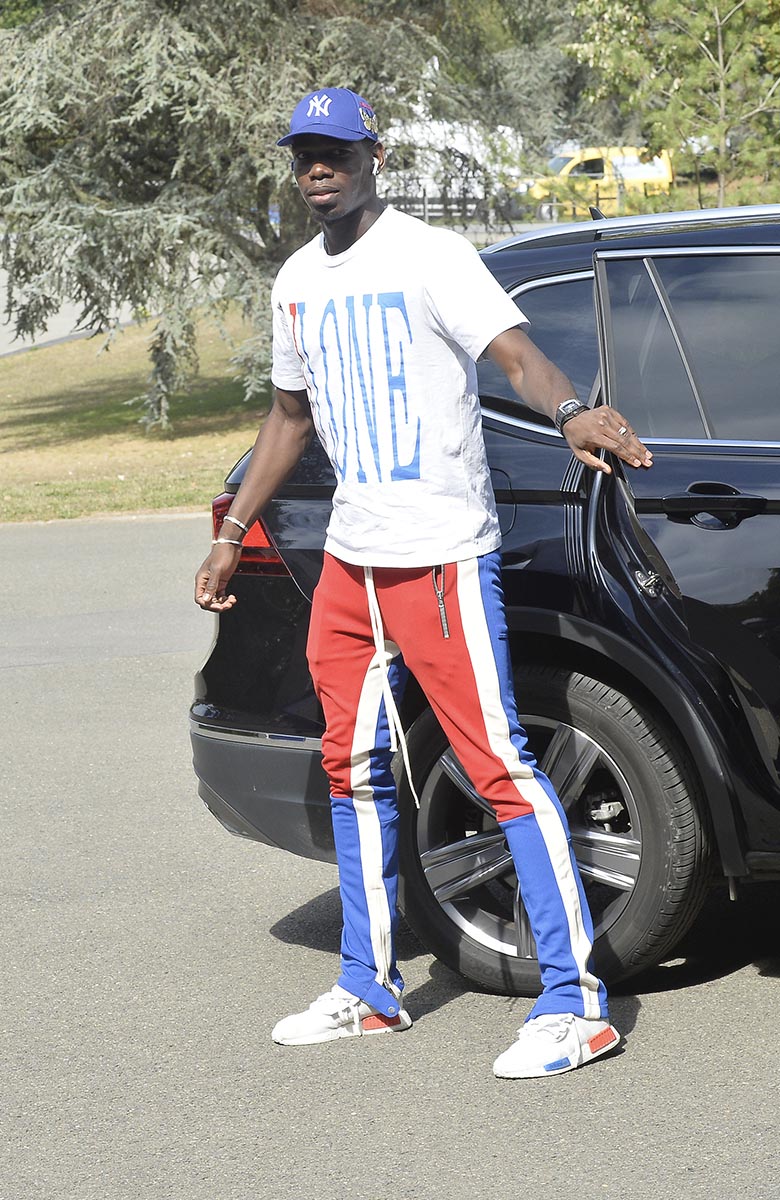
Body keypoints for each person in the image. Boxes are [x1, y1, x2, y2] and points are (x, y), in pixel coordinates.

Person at [194, 88, 653, 1079]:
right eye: (305, 153)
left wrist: (572, 408)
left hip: (439, 553)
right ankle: (369, 990)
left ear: (375, 156)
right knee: (350, 769)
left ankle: (578, 1007)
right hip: (353, 565)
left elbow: (515, 353)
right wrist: (233, 529)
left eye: (336, 151)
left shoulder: (434, 257)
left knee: (497, 763)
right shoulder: (296, 281)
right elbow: (288, 419)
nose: (319, 167)